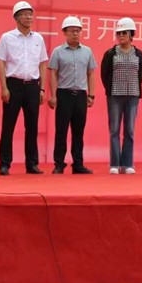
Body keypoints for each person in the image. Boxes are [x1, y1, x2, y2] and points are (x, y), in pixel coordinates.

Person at [0, 0, 49, 175]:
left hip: (32, 86)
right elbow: (1, 63)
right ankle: (4, 163)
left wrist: (42, 88)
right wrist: (4, 87)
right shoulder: (7, 37)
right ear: (16, 17)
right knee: (8, 125)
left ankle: (31, 164)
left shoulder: (38, 38)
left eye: (30, 14)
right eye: (24, 14)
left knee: (32, 126)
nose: (29, 17)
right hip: (13, 85)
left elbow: (42, 63)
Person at [48, 16, 97, 174]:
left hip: (81, 95)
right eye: (72, 31)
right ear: (64, 32)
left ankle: (78, 164)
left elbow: (91, 73)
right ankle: (59, 164)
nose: (75, 33)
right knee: (61, 131)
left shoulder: (87, 51)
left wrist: (91, 95)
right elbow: (53, 73)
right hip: (64, 94)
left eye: (78, 30)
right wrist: (53, 95)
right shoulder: (58, 51)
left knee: (78, 131)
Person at [100, 17, 142, 174]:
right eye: (118, 33)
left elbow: (140, 75)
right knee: (114, 130)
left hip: (132, 96)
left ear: (131, 34)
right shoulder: (110, 54)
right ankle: (114, 163)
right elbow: (105, 75)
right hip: (114, 96)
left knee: (129, 130)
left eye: (124, 33)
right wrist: (111, 89)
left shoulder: (138, 54)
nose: (120, 36)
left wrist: (133, 88)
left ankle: (127, 164)